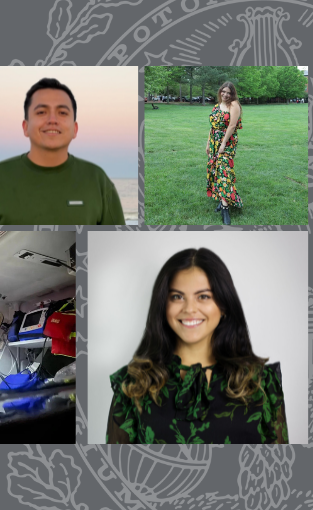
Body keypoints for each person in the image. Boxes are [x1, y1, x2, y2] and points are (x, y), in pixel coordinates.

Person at [106, 248, 287, 444]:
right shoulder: (133, 384)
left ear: (224, 305)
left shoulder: (261, 383)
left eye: (203, 296)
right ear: (163, 305)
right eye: (177, 296)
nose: (189, 309)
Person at [0, 78, 125, 225]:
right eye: (41, 112)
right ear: (25, 127)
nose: (52, 119)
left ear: (75, 129)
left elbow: (117, 244)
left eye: (62, 112)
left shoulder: (98, 181)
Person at [207, 81, 243, 225]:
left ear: (232, 94)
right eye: (224, 91)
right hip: (214, 142)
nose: (226, 95)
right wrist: (208, 143)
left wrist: (223, 144)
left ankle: (225, 208)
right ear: (220, 91)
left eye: (229, 92)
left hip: (227, 142)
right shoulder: (216, 106)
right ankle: (223, 200)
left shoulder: (234, 105)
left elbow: (232, 125)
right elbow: (212, 127)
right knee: (217, 171)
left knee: (223, 170)